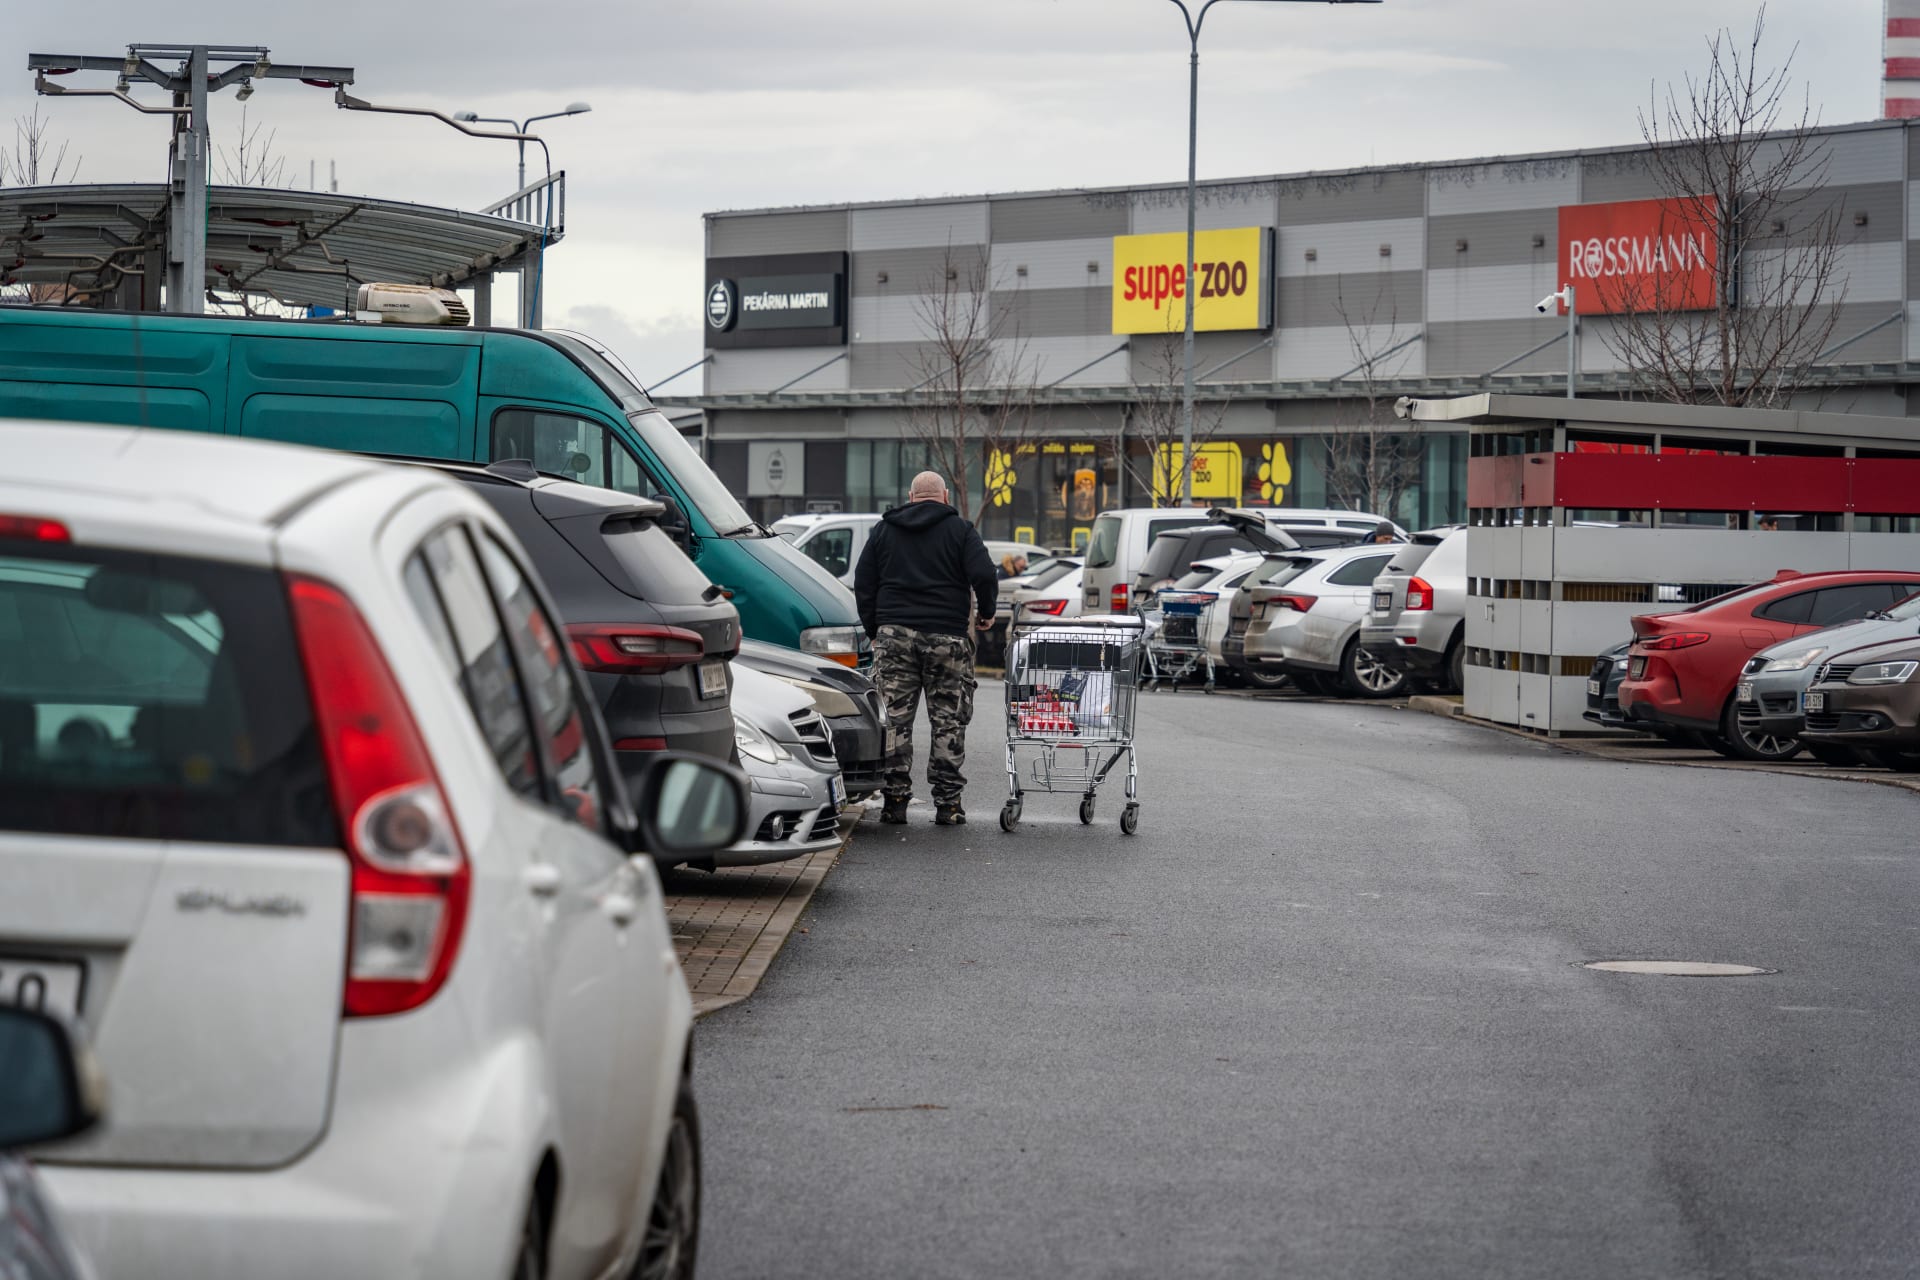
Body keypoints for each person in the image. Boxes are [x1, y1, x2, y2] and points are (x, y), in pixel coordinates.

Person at [854, 472, 998, 826]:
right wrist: (987, 612)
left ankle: (895, 802)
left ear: (910, 495)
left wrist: (875, 628)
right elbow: (984, 574)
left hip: (894, 636)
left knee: (895, 722)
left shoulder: (884, 530)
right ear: (945, 496)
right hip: (947, 639)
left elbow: (864, 583)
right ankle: (948, 805)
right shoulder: (961, 531)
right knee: (948, 721)